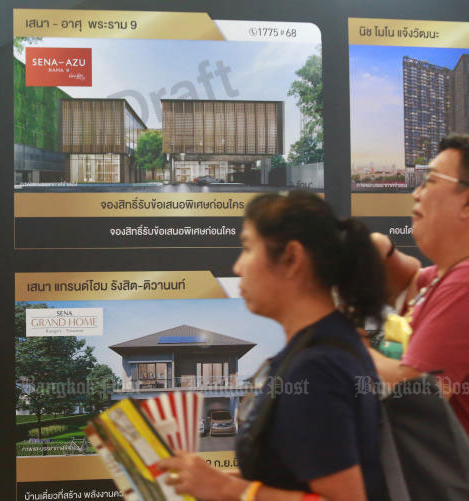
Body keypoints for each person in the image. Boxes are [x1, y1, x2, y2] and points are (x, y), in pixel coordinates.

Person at [157, 191, 387, 500]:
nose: (238, 267)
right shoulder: (324, 347)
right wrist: (206, 480)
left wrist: (227, 489)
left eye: (247, 248)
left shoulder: (315, 368)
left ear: (292, 258)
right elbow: (292, 478)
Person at [370, 134, 469, 435]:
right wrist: (379, 250)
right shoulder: (443, 278)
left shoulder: (463, 285)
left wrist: (343, 337)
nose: (417, 194)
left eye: (430, 182)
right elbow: (409, 281)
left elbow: (415, 399)